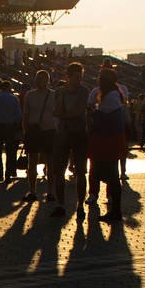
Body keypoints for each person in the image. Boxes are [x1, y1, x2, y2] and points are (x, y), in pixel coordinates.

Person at [86, 64, 130, 220]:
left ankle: (115, 211)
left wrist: (94, 112)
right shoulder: (113, 94)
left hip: (108, 138)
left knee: (111, 174)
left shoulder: (111, 96)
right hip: (111, 137)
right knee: (111, 173)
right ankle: (114, 209)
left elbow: (103, 116)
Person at [48, 62, 88, 218]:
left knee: (81, 171)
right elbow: (56, 111)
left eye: (81, 77)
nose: (79, 80)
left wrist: (64, 114)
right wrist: (65, 112)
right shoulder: (60, 91)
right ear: (68, 77)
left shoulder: (84, 91)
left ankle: (80, 205)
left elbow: (77, 112)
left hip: (79, 134)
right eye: (76, 77)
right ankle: (60, 204)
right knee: (59, 171)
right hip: (63, 134)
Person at [20, 69, 56, 201]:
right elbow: (25, 114)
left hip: (47, 130)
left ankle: (48, 191)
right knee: (33, 162)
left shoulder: (53, 95)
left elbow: (26, 115)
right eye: (39, 78)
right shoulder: (30, 95)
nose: (41, 81)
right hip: (35, 130)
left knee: (48, 162)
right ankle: (34, 190)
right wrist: (25, 131)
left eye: (43, 78)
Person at [0, 78, 22, 183]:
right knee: (10, 151)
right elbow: (18, 115)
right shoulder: (14, 99)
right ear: (9, 88)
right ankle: (8, 174)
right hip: (10, 127)